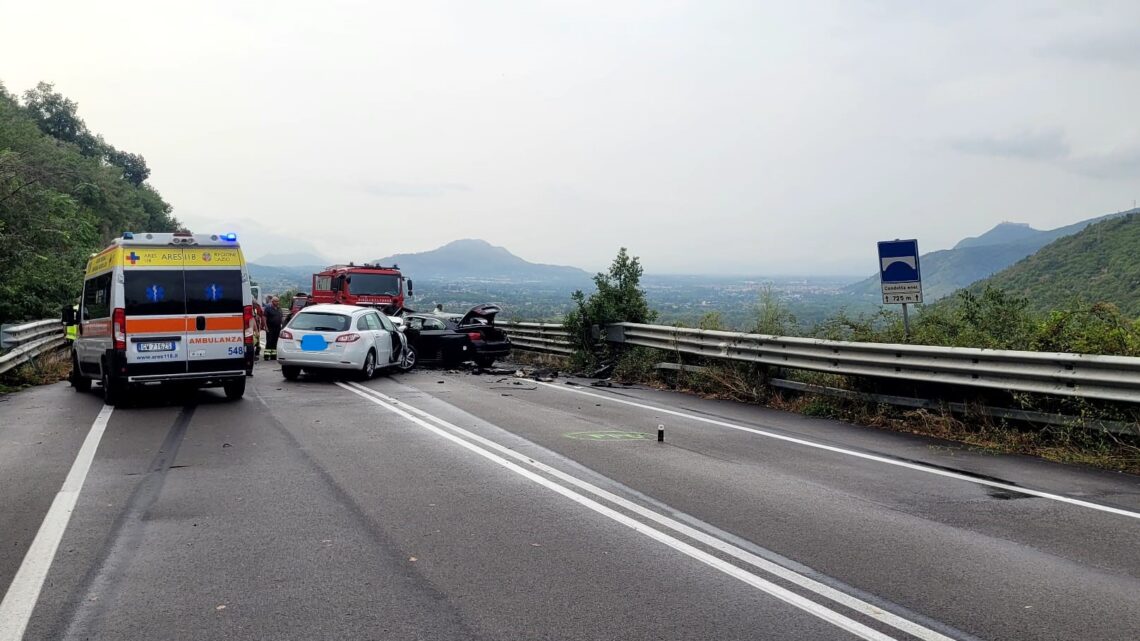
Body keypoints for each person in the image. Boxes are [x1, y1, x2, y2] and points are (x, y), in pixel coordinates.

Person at [263, 296, 283, 360]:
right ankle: (266, 356)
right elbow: (264, 318)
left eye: (278, 301)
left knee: (275, 342)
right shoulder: (268, 308)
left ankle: (273, 356)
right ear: (272, 301)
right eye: (276, 301)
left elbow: (281, 318)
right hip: (270, 328)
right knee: (269, 342)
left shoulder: (279, 309)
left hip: (277, 328)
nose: (277, 302)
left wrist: (282, 326)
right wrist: (265, 326)